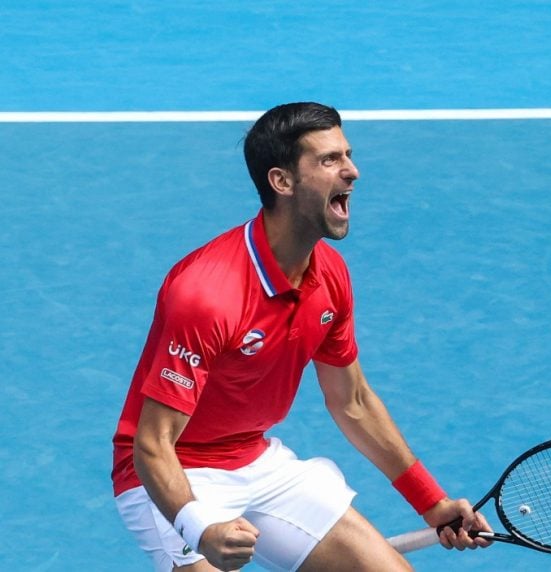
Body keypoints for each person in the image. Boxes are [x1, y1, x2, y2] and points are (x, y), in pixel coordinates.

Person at [111, 102, 490, 572]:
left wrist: (431, 502)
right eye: (330, 160)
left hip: (254, 457)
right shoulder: (206, 293)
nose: (352, 172)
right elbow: (152, 444)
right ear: (282, 182)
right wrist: (198, 528)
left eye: (347, 155)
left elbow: (351, 401)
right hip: (171, 471)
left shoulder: (329, 273)